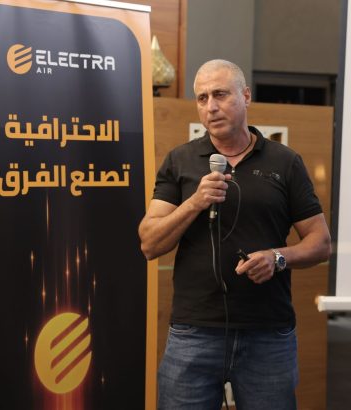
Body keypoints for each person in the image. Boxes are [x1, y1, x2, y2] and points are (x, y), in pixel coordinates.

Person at [138, 59, 331, 410]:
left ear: (246, 96)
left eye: (220, 94)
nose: (210, 107)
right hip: (194, 332)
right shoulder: (180, 161)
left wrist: (277, 257)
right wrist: (194, 202)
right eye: (202, 98)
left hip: (268, 334)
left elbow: (320, 243)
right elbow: (150, 242)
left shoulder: (285, 162)